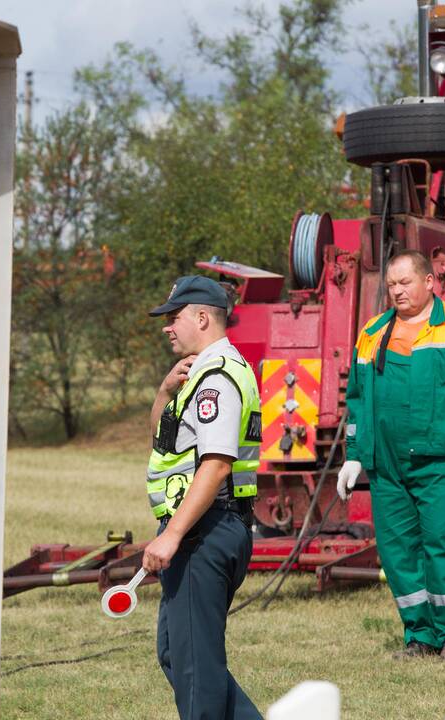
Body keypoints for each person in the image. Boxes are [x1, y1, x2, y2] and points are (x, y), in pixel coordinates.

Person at [336, 249, 445, 661]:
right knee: (398, 554)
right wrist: (354, 454)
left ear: (430, 282)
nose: (396, 291)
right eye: (391, 284)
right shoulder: (372, 333)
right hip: (388, 468)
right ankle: (419, 636)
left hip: (441, 463)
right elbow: (356, 401)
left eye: (405, 282)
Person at [141, 275, 264, 720]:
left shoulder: (216, 378)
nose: (166, 327)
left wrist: (173, 534)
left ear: (201, 317)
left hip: (203, 530)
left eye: (173, 318)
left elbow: (216, 463)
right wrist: (164, 392)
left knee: (197, 674)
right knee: (178, 654)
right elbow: (161, 439)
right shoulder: (198, 374)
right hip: (201, 528)